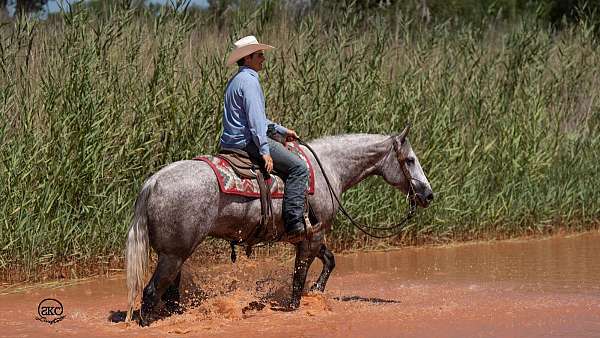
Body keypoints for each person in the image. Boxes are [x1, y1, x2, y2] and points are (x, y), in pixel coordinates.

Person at [220, 35, 309, 238]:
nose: (263, 58)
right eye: (260, 55)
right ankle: (294, 224)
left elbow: (257, 118)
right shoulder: (250, 82)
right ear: (249, 58)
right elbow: (255, 123)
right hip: (247, 143)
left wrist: (282, 131)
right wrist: (265, 151)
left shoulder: (236, 80)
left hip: (231, 142)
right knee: (299, 168)